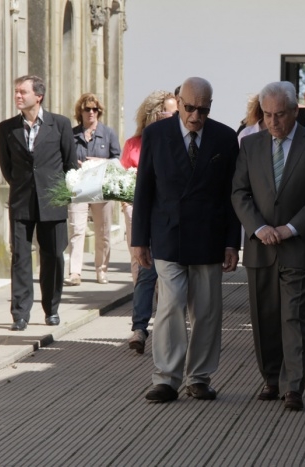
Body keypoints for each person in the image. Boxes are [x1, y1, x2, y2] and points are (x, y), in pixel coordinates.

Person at [131, 77, 241, 403]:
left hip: (209, 236)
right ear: (178, 101)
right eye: (190, 107)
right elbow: (144, 190)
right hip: (168, 234)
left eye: (203, 110)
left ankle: (199, 378)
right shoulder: (155, 135)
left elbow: (231, 195)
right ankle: (166, 379)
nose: (196, 116)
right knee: (169, 305)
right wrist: (139, 240)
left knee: (206, 311)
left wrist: (232, 242)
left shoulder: (224, 137)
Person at [231, 81, 305, 411]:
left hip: (298, 245)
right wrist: (258, 228)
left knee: (294, 318)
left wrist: (290, 228)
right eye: (267, 115)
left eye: (280, 115)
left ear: (295, 111)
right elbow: (239, 193)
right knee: (265, 317)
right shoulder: (251, 146)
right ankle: (271, 378)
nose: (273, 122)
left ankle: (294, 385)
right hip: (262, 246)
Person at [0, 75, 78, 331]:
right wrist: (23, 187)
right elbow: (7, 168)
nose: (18, 96)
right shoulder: (7, 128)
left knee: (53, 255)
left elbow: (70, 165)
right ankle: (20, 314)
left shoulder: (61, 125)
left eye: (23, 92)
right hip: (21, 201)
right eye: (16, 92)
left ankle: (51, 308)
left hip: (52, 201)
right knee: (21, 257)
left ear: (38, 96)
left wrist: (58, 192)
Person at [121, 90, 177, 353]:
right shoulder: (136, 143)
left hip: (172, 220)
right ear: (157, 114)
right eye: (172, 111)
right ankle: (139, 329)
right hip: (145, 216)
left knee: (169, 279)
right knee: (145, 273)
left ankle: (170, 331)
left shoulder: (176, 140)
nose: (178, 116)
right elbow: (125, 176)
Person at [64, 93, 121, 286]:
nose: (91, 112)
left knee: (103, 232)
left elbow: (117, 160)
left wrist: (100, 162)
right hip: (79, 188)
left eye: (94, 109)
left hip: (101, 187)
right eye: (87, 109)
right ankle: (75, 273)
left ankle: (101, 270)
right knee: (76, 229)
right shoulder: (72, 134)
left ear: (99, 112)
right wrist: (74, 165)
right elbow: (65, 159)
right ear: (80, 112)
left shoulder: (108, 133)